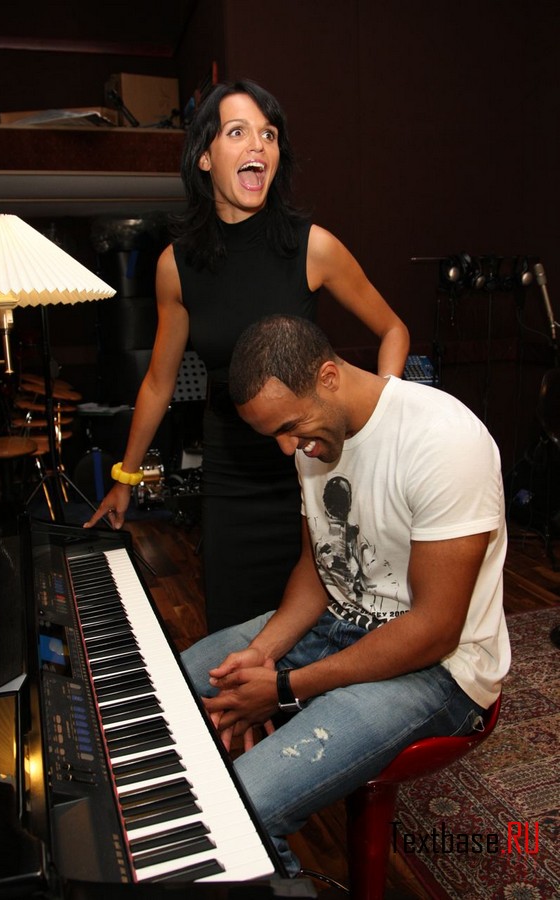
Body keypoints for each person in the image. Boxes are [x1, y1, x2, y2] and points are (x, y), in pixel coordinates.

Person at [181, 314, 510, 875]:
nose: (288, 448)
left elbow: (435, 629)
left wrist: (282, 688)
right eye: (275, 435)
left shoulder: (444, 440)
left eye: (291, 427)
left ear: (328, 376)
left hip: (441, 667)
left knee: (242, 813)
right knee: (167, 689)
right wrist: (264, 651)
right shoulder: (313, 434)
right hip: (337, 623)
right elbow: (318, 568)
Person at [85, 79, 409, 633]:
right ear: (205, 156)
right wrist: (126, 476)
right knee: (233, 630)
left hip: (313, 468)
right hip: (230, 473)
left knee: (323, 628)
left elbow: (393, 329)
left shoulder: (312, 246)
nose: (258, 144)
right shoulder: (176, 267)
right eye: (238, 132)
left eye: (269, 134)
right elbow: (159, 383)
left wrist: (377, 427)